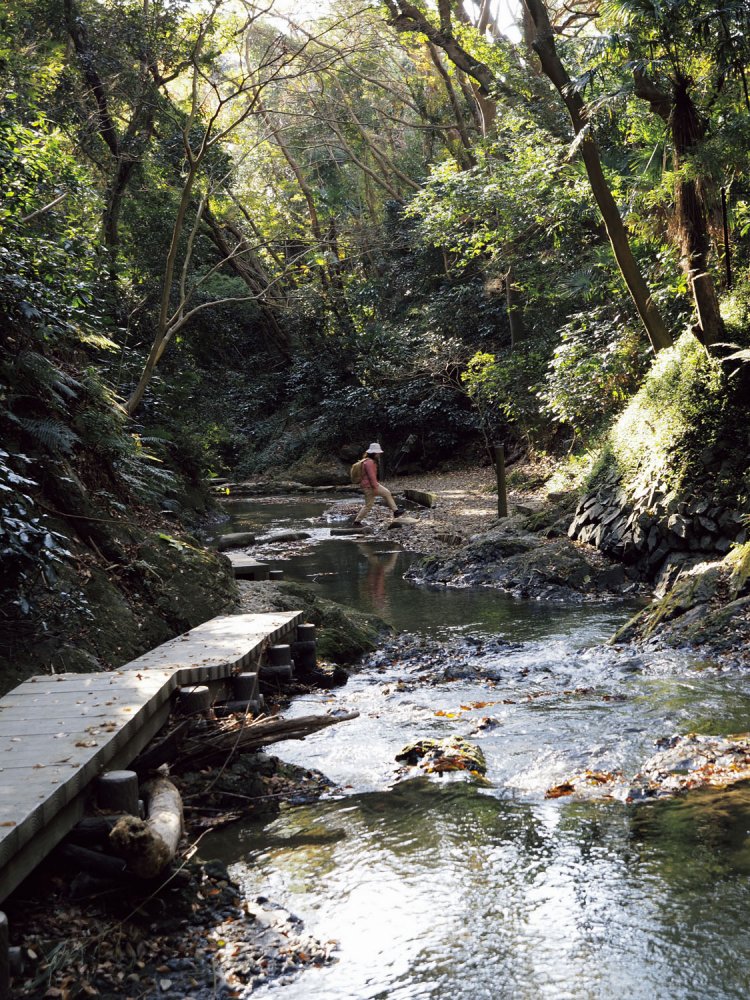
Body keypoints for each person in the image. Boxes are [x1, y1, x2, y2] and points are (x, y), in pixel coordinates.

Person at [353, 442, 405, 524]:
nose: (379, 454)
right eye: (378, 453)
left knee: (380, 497)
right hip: (370, 486)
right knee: (369, 505)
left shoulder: (366, 461)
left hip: (367, 485)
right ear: (374, 453)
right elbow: (371, 477)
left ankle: (396, 511)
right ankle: (357, 521)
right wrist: (375, 488)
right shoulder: (370, 462)